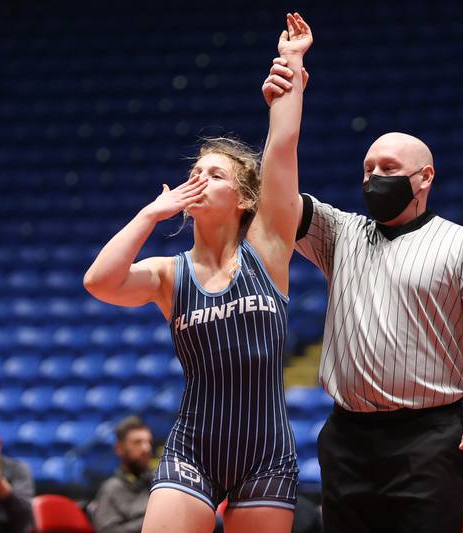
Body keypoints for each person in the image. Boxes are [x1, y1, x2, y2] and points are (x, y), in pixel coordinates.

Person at [262, 74, 463, 532]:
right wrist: (285, 107)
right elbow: (278, 197)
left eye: (387, 167)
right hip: (347, 436)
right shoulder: (341, 233)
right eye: (368, 168)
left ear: (425, 177)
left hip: (427, 438)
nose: (374, 177)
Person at [83, 13, 312, 533]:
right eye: (194, 173)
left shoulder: (269, 247)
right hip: (192, 448)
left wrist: (292, 65)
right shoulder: (169, 274)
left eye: (216, 174)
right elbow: (99, 282)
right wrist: (149, 215)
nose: (199, 180)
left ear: (245, 197)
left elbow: (282, 147)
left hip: (266, 452)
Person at [90, 416, 154, 533]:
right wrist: (154, 519)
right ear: (119, 448)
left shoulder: (156, 481)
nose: (146, 448)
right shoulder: (111, 489)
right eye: (137, 442)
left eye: (148, 442)